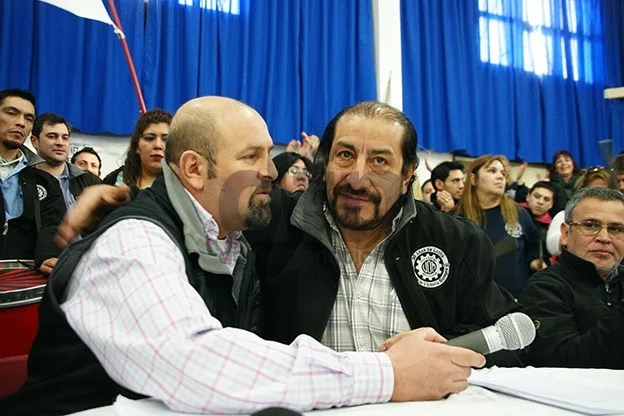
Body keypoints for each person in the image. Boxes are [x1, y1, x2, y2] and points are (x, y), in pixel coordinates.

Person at [1, 97, 485, 416]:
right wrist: (389, 373)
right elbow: (195, 362)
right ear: (194, 170)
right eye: (253, 157)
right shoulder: (132, 243)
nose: (271, 173)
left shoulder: (235, 237)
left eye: (380, 160)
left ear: (406, 178)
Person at [57, 102, 523, 367]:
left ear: (407, 176)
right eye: (343, 155)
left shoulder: (456, 242)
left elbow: (503, 337)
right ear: (324, 164)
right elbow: (199, 206)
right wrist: (127, 202)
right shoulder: (274, 222)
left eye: (379, 160)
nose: (357, 177)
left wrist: (449, 353)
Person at [519, 187, 624, 368]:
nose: (605, 238)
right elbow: (559, 361)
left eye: (616, 229)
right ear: (566, 234)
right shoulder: (543, 288)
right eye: (591, 225)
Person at [455, 155, 544, 298]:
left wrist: (535, 261)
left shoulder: (520, 213)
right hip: (472, 304)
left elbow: (533, 247)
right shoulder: (455, 218)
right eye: (492, 171)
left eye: (503, 173)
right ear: (474, 179)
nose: (500, 177)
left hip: (516, 302)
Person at [0, 89, 66, 273]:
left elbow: (53, 226)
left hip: (25, 279)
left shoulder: (45, 182)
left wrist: (49, 256)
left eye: (28, 118)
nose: (21, 123)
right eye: (11, 113)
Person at [30, 113, 101, 209]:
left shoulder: (91, 181)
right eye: (52, 136)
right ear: (34, 141)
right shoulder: (23, 180)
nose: (60, 143)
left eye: (65, 138)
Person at [546, 167, 613, 257]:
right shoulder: (565, 216)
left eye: (606, 191)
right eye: (595, 191)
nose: (600, 196)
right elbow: (553, 247)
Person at [102, 109, 172, 195]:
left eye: (165, 139)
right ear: (137, 147)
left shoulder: (184, 188)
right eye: (149, 138)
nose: (158, 145)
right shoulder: (115, 180)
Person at [521, 181, 555, 265]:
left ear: (551, 204)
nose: (540, 202)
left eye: (546, 199)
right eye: (537, 196)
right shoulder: (512, 214)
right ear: (528, 197)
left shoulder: (552, 228)